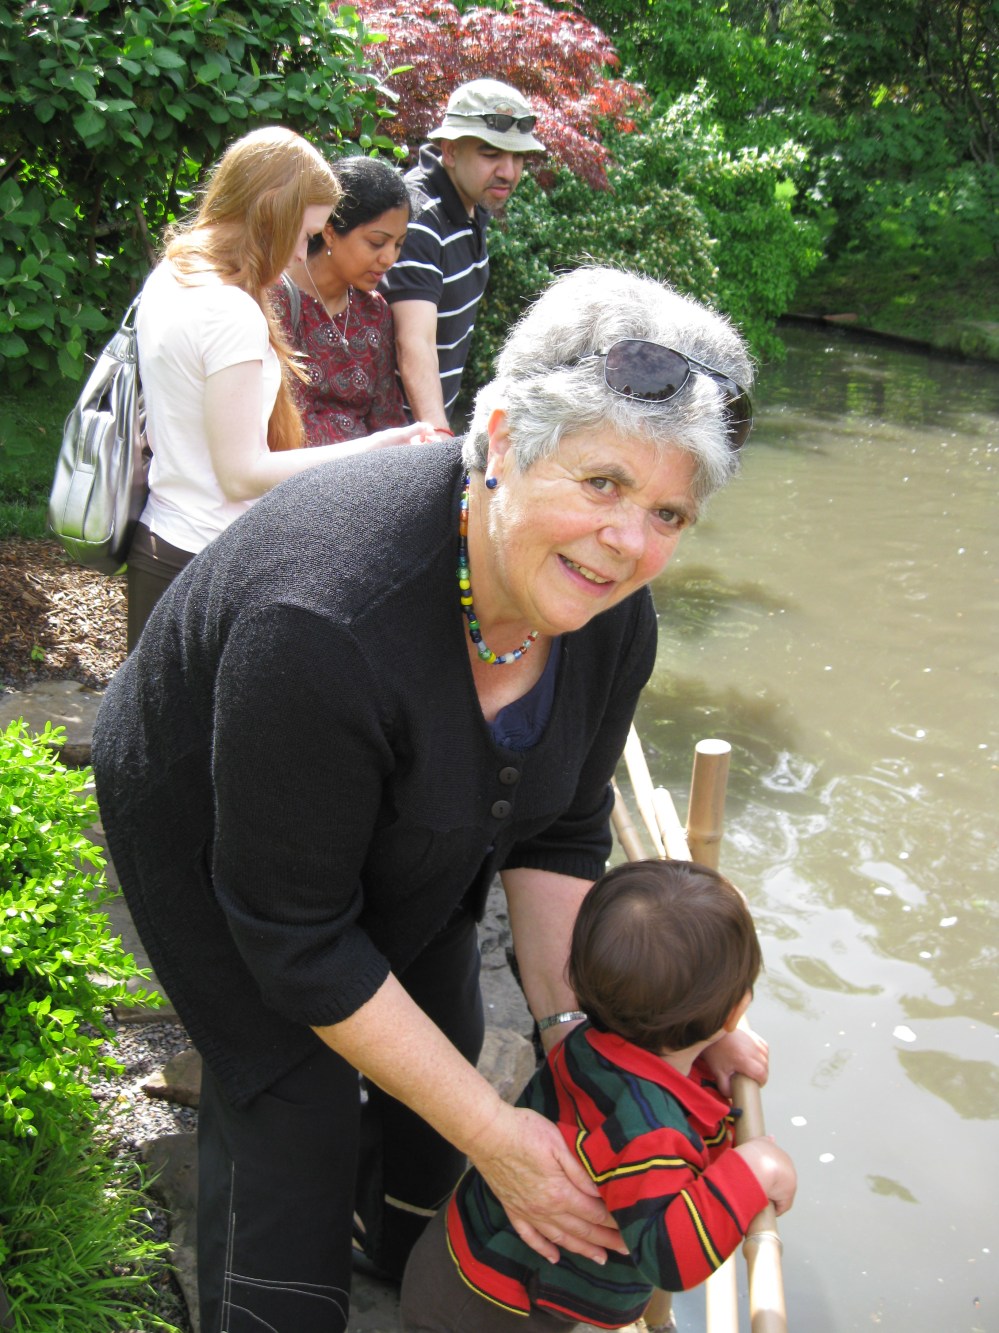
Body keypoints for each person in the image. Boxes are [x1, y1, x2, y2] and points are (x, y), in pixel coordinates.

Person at [91, 264, 758, 1333]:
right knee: (291, 1101)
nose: (628, 543)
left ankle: (405, 1249)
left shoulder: (610, 619)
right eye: (599, 483)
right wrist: (505, 1135)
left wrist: (605, 1041)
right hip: (218, 828)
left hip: (418, 807)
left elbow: (563, 830)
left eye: (668, 509)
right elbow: (301, 941)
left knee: (443, 1024)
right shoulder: (322, 620)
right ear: (499, 438)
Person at [400, 859, 798, 1331]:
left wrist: (710, 1039)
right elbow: (667, 1256)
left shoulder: (598, 1036)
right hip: (495, 1307)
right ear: (735, 1010)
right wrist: (756, 1168)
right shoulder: (651, 1132)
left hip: (473, 1261)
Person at [127, 126, 432, 649]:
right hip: (208, 564)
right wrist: (378, 449)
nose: (299, 253)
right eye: (302, 231)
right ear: (271, 210)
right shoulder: (231, 311)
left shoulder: (174, 274)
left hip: (161, 547)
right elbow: (241, 474)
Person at [380, 78, 544, 434]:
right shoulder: (419, 219)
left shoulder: (472, 205)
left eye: (517, 156)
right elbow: (414, 341)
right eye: (491, 154)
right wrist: (436, 436)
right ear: (450, 151)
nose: (509, 171)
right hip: (396, 439)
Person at [271, 155, 411, 446]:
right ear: (330, 232)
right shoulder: (276, 299)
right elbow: (283, 420)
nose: (389, 258)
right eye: (376, 242)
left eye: (398, 245)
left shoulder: (374, 312)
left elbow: (386, 416)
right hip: (297, 477)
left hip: (366, 477)